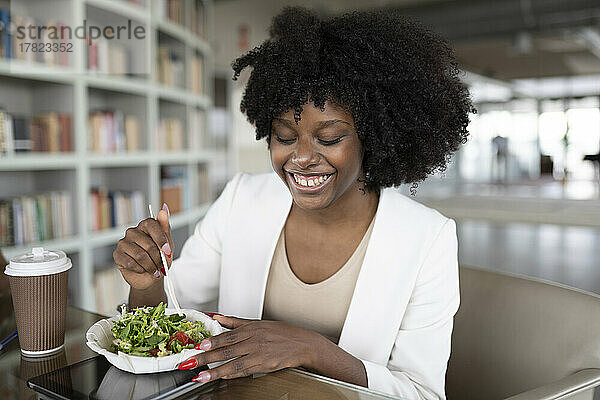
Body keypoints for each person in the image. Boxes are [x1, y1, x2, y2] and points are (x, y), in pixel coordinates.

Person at [113, 7, 473, 399]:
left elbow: (423, 393)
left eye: (330, 138)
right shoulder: (241, 199)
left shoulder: (426, 237)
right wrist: (147, 285)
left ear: (373, 136)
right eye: (285, 136)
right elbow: (168, 317)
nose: (301, 158)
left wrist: (312, 349)